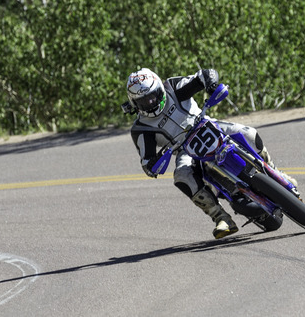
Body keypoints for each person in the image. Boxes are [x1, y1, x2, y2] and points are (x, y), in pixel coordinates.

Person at [125, 67, 296, 239]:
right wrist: (154, 164)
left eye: (153, 96)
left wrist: (211, 84)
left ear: (159, 88)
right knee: (181, 176)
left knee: (249, 133)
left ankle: (276, 172)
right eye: (143, 101)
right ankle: (220, 217)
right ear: (134, 103)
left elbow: (205, 74)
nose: (150, 103)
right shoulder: (141, 128)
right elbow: (146, 162)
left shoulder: (173, 87)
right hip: (184, 150)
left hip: (210, 126)